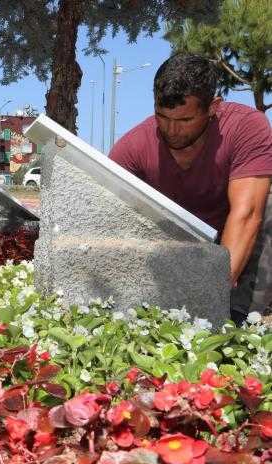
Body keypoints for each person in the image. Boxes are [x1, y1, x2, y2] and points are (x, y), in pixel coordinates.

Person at [110, 53, 272, 324]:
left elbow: (247, 214)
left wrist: (211, 298)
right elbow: (103, 207)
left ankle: (241, 316)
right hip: (175, 245)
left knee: (268, 207)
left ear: (213, 107)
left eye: (185, 120)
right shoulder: (134, 146)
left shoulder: (246, 127)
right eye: (162, 116)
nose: (172, 130)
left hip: (230, 241)